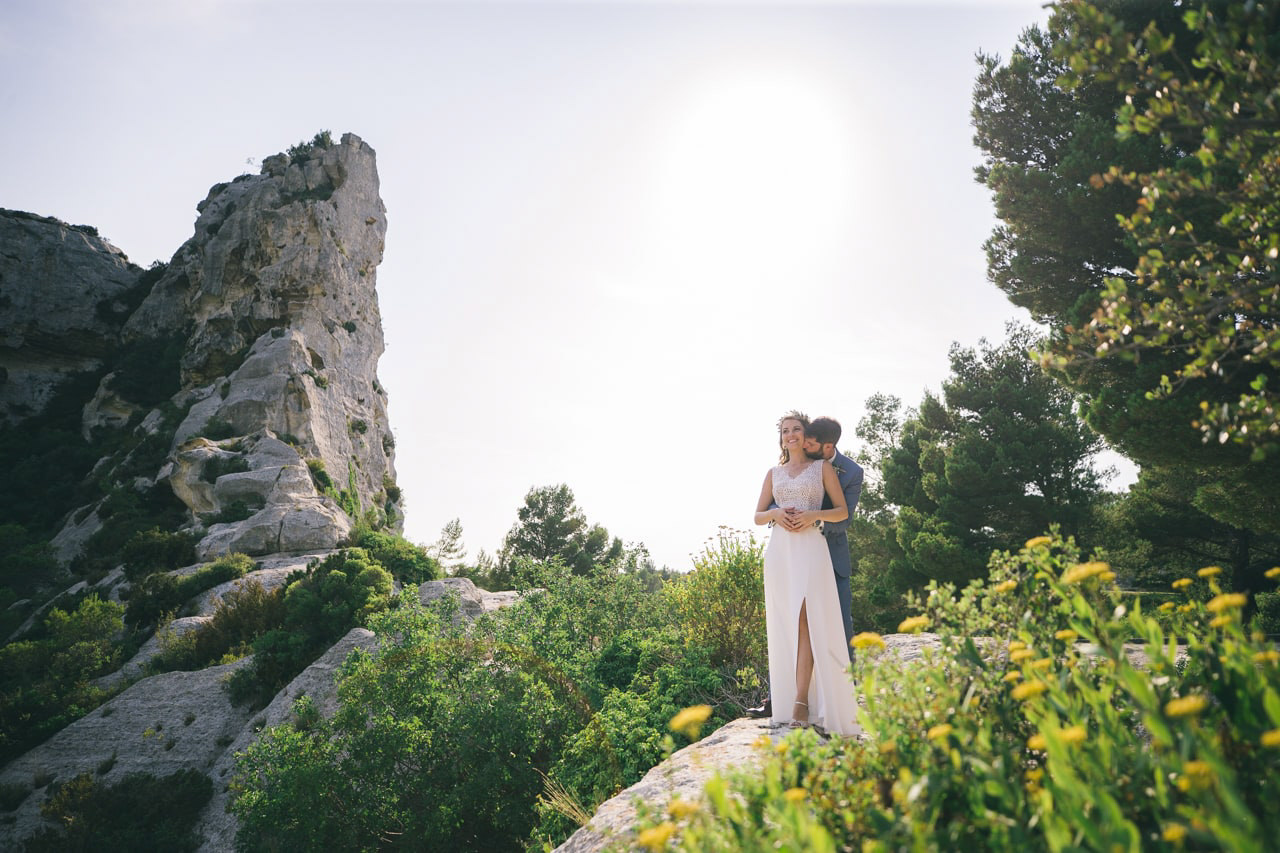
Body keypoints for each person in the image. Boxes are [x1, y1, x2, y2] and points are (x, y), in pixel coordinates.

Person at [753, 412, 861, 735]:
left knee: (807, 620)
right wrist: (774, 513)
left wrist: (814, 515)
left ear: (805, 434)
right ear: (781, 437)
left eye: (796, 429)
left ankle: (801, 701)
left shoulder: (822, 468)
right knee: (787, 624)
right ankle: (788, 700)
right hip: (780, 554)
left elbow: (841, 510)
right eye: (785, 431)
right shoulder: (774, 473)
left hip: (812, 551)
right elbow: (757, 515)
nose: (791, 435)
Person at [802, 416, 864, 651]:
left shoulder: (852, 472)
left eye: (810, 444)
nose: (805, 446)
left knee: (840, 623)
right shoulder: (800, 461)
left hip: (832, 556)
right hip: (798, 553)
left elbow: (844, 520)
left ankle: (849, 684)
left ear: (827, 446)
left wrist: (812, 522)